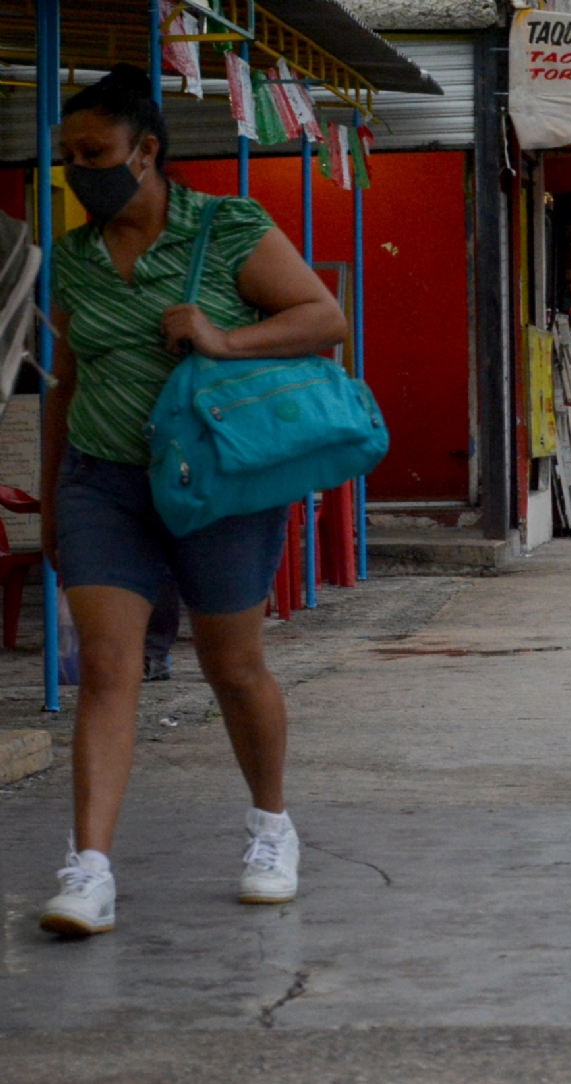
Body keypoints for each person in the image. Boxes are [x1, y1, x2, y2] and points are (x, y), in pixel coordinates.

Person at [37, 66, 348, 937]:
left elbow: (325, 320)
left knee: (233, 665)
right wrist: (53, 505)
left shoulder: (229, 226)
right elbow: (67, 382)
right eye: (67, 157)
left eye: (93, 153)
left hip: (216, 482)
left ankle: (271, 828)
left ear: (147, 152)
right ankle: (89, 867)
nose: (78, 171)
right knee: (106, 665)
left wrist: (223, 336)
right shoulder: (74, 256)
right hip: (103, 481)